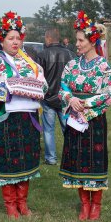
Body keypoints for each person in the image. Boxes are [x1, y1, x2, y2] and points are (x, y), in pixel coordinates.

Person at [0, 11, 48, 219]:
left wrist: (30, 86)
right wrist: (11, 86)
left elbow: (43, 86)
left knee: (26, 159)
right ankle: (10, 205)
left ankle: (23, 203)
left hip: (28, 118)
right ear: (1, 41)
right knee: (8, 160)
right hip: (5, 118)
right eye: (11, 38)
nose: (15, 41)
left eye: (18, 38)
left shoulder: (30, 63)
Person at [59, 11, 111, 221]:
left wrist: (85, 105)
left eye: (81, 40)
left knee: (94, 161)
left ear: (92, 41)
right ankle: (84, 204)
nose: (77, 44)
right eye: (76, 40)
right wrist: (69, 98)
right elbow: (62, 86)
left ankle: (96, 205)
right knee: (77, 160)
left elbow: (108, 95)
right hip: (74, 120)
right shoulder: (72, 65)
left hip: (94, 121)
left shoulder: (103, 66)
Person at [36, 28, 76, 165]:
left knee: (48, 130)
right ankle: (72, 156)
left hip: (48, 99)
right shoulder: (71, 54)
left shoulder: (41, 55)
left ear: (48, 38)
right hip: (66, 98)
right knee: (69, 129)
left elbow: (38, 79)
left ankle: (51, 158)